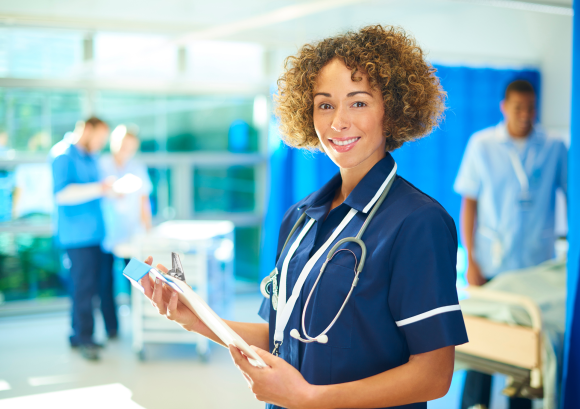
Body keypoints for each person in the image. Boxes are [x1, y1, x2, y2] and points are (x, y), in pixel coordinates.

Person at [140, 25, 468, 409]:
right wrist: (195, 319)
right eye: (325, 104)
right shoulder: (299, 218)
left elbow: (433, 374)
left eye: (358, 103)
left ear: (391, 112)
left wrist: (309, 398)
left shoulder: (418, 222)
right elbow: (281, 334)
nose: (338, 122)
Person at [454, 80, 568, 409]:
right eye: (518, 108)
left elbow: (575, 196)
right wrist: (471, 260)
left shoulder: (554, 146)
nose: (525, 115)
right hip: (491, 265)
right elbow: (469, 204)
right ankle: (473, 405)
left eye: (531, 108)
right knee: (483, 351)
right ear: (504, 107)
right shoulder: (483, 145)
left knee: (524, 359)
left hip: (534, 269)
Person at [50, 117, 116, 361]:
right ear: (87, 130)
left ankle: (79, 334)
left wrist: (110, 191)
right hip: (76, 238)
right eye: (99, 138)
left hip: (96, 234)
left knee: (91, 288)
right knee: (83, 289)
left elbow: (95, 190)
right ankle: (84, 338)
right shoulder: (62, 155)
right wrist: (100, 188)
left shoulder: (90, 157)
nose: (101, 144)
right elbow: (62, 194)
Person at [99, 124, 152, 302]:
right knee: (105, 281)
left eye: (130, 147)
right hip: (106, 232)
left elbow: (144, 201)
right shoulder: (102, 164)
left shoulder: (137, 167)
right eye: (123, 145)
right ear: (114, 142)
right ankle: (112, 328)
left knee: (135, 281)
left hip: (132, 233)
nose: (126, 150)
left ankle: (138, 326)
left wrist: (147, 230)